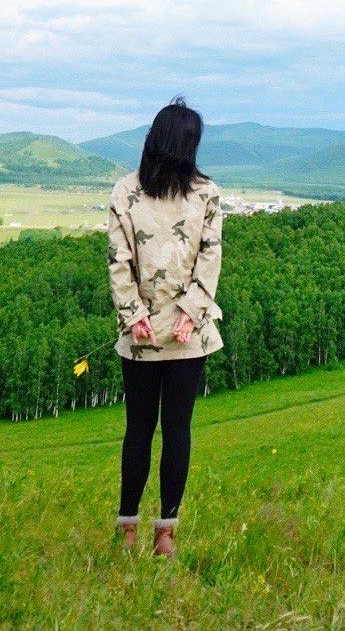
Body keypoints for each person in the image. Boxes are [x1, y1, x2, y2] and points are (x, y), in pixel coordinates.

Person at [107, 97, 223, 558]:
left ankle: (143, 531)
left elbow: (122, 264)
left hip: (170, 334)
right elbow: (123, 259)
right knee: (166, 429)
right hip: (172, 335)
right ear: (184, 146)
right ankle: (153, 534)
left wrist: (144, 316)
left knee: (149, 429)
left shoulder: (131, 191)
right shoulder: (197, 193)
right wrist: (167, 316)